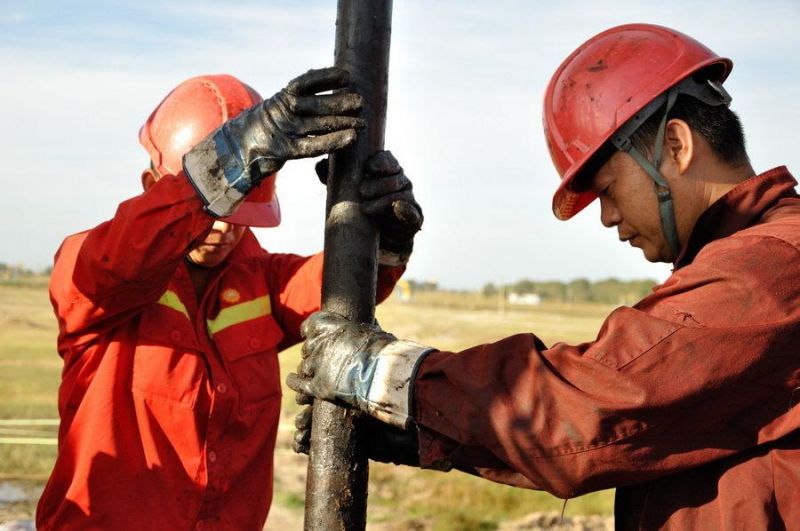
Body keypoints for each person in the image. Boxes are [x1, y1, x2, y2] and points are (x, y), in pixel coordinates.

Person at [288, 24, 800, 529]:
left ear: (676, 144)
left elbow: (596, 405)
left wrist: (385, 375)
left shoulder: (773, 267)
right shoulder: (746, 263)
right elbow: (635, 436)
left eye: (607, 189)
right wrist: (421, 435)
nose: (607, 217)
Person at [37, 67, 423, 530]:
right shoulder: (95, 270)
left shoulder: (260, 282)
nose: (223, 227)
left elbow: (329, 286)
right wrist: (223, 165)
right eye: (217, 207)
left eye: (239, 210)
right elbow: (120, 259)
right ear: (150, 185)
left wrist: (381, 243)